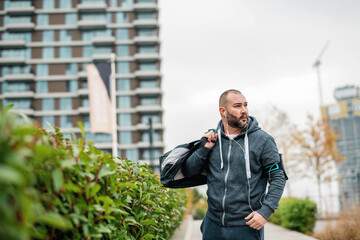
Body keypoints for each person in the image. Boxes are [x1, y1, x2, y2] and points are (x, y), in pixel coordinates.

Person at [183, 89, 286, 240]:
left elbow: (278, 176)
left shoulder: (263, 140)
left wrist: (266, 211)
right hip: (213, 225)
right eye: (237, 106)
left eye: (245, 105)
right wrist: (203, 149)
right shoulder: (213, 140)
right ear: (222, 111)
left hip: (246, 226)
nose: (244, 110)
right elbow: (190, 171)